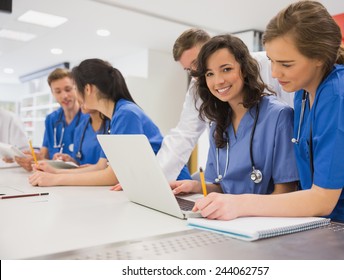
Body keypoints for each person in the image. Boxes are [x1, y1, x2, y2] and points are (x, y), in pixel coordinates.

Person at [193, 1, 344, 229]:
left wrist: (240, 204)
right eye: (272, 61)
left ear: (319, 58)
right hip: (329, 222)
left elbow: (322, 199)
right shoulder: (303, 93)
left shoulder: (342, 96)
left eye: (286, 64)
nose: (275, 74)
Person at [156, 28, 292, 183]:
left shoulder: (267, 66)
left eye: (197, 62)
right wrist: (156, 182)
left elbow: (291, 114)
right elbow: (184, 134)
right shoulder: (203, 94)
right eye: (189, 70)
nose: (196, 72)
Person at [28, 58, 191, 187]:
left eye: (74, 88)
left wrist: (56, 180)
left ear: (88, 89)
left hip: (175, 187)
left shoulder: (126, 114)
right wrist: (55, 172)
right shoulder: (116, 115)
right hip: (155, 186)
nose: (73, 96)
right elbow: (100, 167)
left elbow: (113, 176)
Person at [15, 68, 88, 171]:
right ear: (53, 93)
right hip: (53, 176)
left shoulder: (89, 117)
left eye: (68, 89)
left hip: (82, 176)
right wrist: (33, 158)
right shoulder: (51, 120)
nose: (64, 96)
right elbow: (44, 155)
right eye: (58, 91)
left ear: (76, 88)